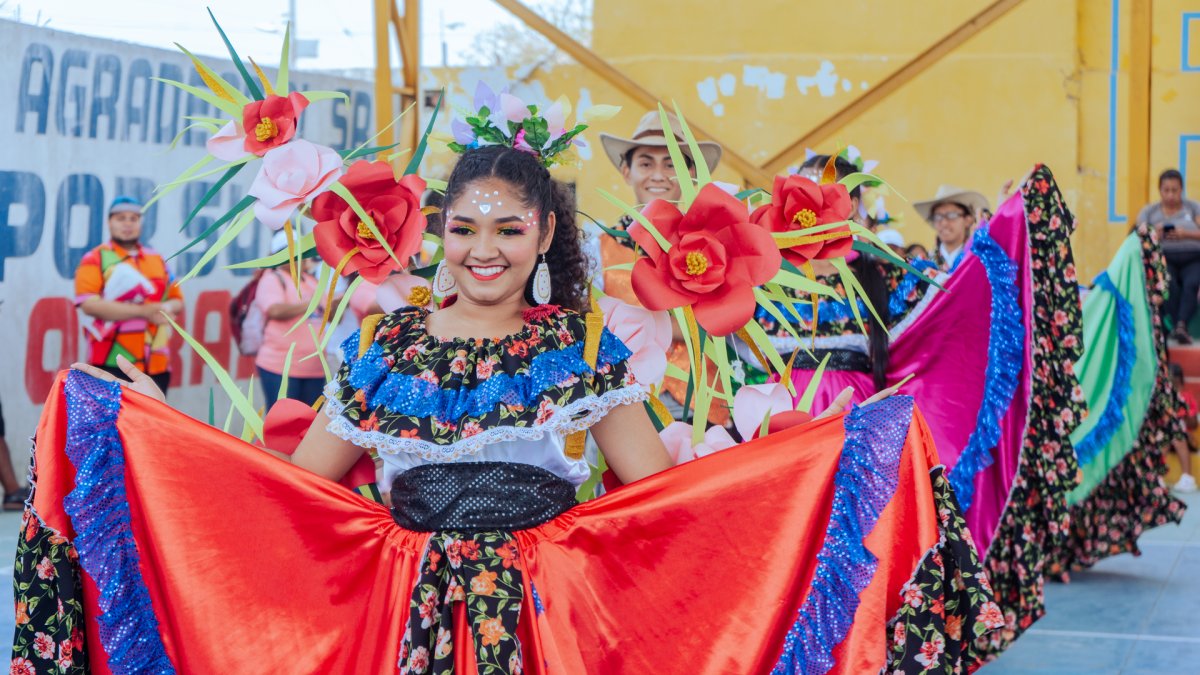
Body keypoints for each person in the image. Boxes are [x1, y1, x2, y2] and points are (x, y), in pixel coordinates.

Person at [20, 139, 999, 673]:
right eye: (462, 226)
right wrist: (151, 436)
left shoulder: (580, 347)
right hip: (397, 619)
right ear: (438, 235)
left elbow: (657, 499)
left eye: (508, 227)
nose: (482, 246)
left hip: (550, 621)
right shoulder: (377, 346)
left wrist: (814, 461)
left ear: (542, 240)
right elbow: (293, 496)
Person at [597, 111, 727, 423]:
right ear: (626, 172)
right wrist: (683, 325)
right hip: (624, 403)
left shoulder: (716, 242)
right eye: (646, 163)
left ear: (689, 174)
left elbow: (725, 320)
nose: (659, 174)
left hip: (702, 404)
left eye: (672, 164)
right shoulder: (596, 247)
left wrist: (637, 326)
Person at [74, 196, 184, 395]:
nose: (127, 224)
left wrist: (165, 309)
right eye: (121, 218)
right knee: (112, 424)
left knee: (153, 425)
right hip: (110, 361)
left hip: (156, 363)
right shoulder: (95, 258)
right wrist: (145, 311)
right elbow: (88, 304)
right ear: (109, 222)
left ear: (140, 223)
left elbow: (177, 299)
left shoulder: (157, 259)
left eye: (133, 219)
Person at [252, 230, 333, 410]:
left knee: (308, 427)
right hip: (281, 368)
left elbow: (333, 314)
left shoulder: (311, 281)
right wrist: (311, 304)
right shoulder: (273, 279)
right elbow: (274, 310)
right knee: (283, 426)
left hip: (315, 369)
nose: (302, 258)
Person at [1135, 168, 1200, 344]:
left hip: (1193, 257)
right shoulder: (1150, 212)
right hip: (1164, 258)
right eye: (1167, 190)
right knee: (1168, 285)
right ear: (1160, 190)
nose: (1171, 195)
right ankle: (1171, 327)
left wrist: (1185, 234)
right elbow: (1136, 235)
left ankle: (1182, 326)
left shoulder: (1193, 208)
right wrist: (1155, 232)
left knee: (1191, 283)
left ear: (1181, 190)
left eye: (1175, 190)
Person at [912, 185, 990, 272]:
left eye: (952, 215)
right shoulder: (922, 264)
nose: (944, 223)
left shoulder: (979, 261)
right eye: (938, 217)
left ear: (968, 220)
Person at [1171, 363, 1197, 492]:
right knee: (1163, 436)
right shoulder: (1165, 398)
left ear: (1177, 378)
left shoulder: (1187, 397)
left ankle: (1188, 478)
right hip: (1167, 436)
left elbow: (1193, 424)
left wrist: (1184, 415)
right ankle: (1156, 476)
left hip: (1185, 437)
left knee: (1177, 436)